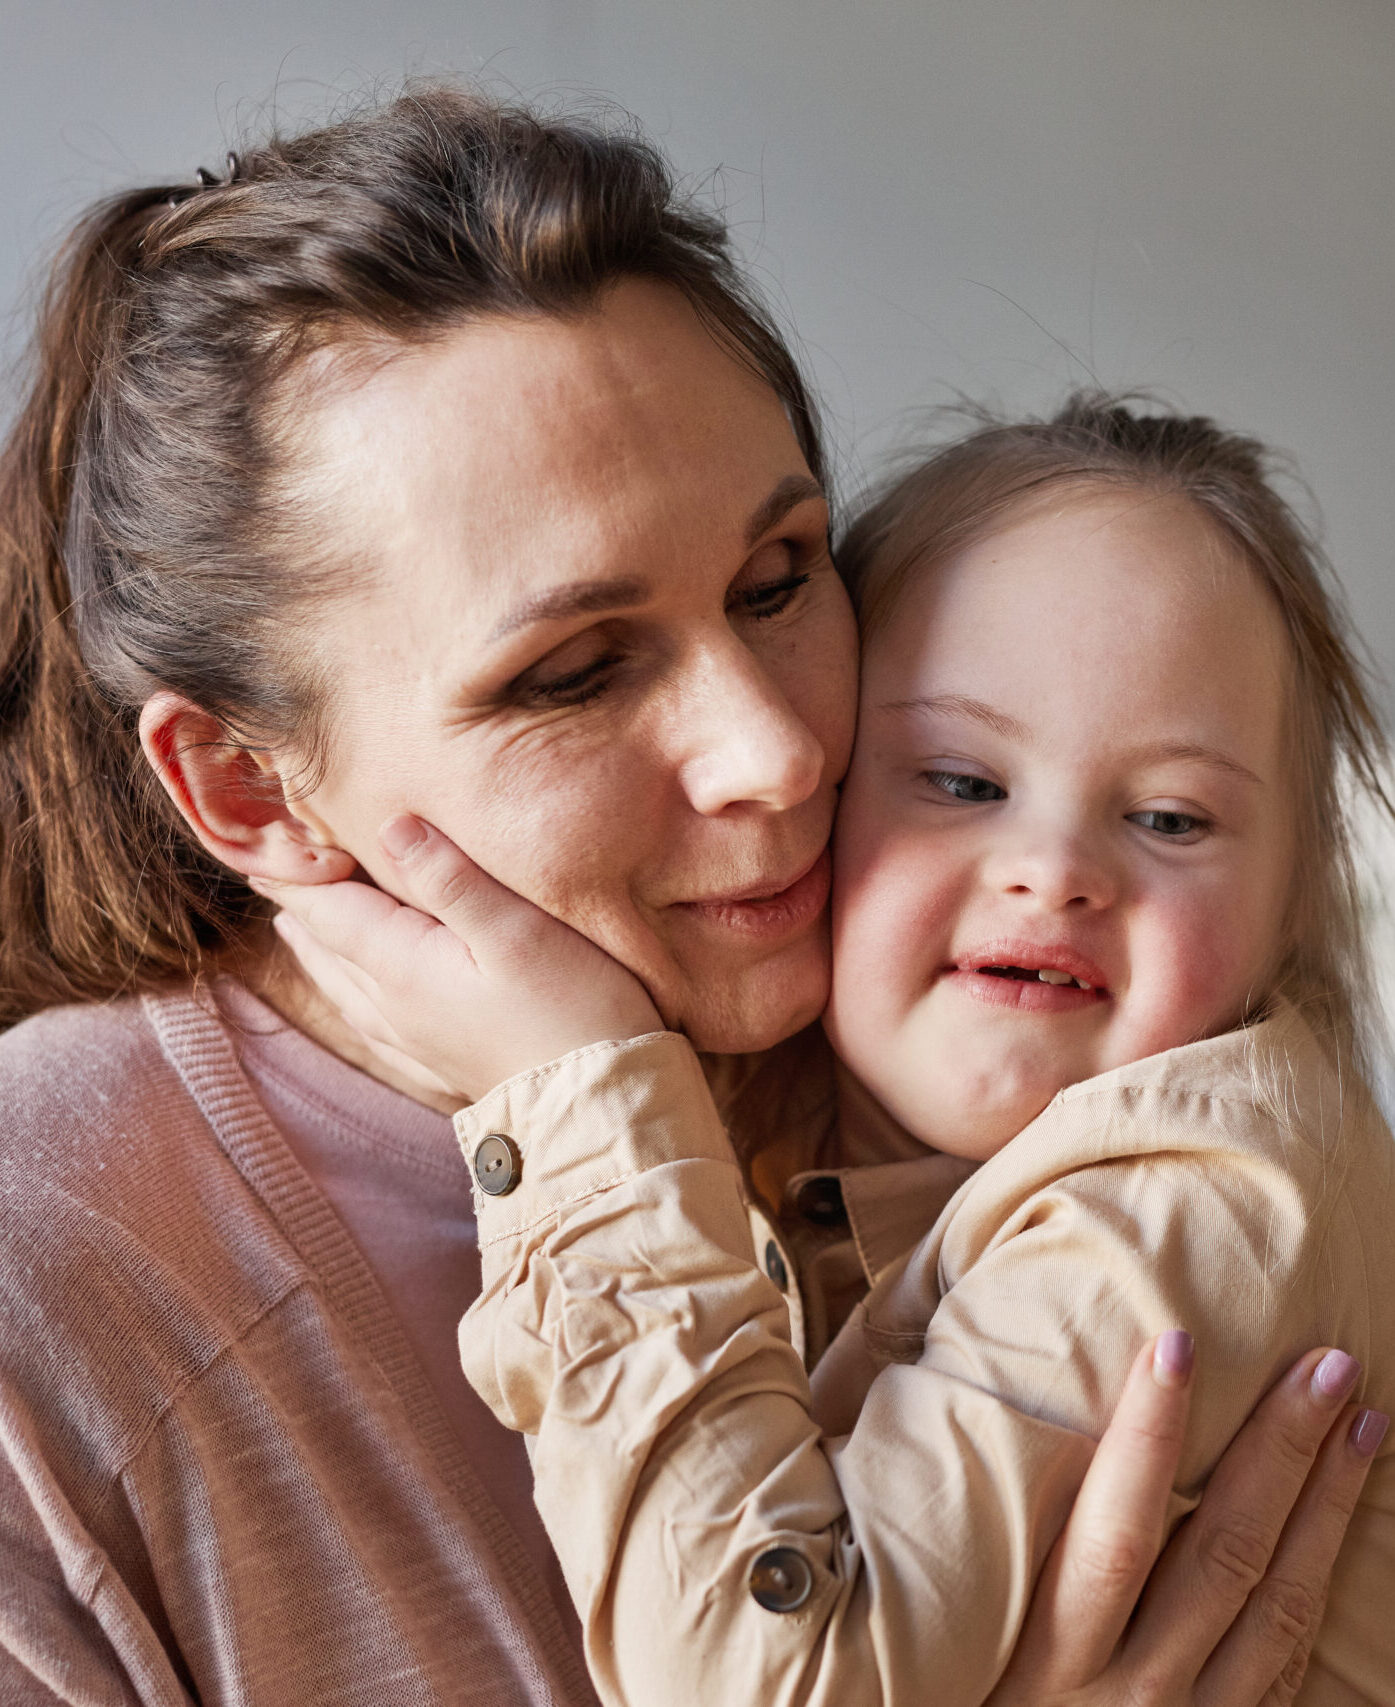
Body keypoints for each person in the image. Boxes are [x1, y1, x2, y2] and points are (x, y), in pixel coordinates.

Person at [0, 83, 1372, 1706]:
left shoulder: (967, 1080)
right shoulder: (51, 1269)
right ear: (246, 785)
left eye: (779, 579)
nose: (779, 752)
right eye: (574, 670)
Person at [266, 404, 1395, 1703]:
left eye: (1170, 817)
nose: (1053, 871)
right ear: (822, 808)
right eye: (963, 783)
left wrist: (578, 1091)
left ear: (1292, 905)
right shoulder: (809, 1135)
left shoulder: (1204, 1200)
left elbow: (763, 1677)